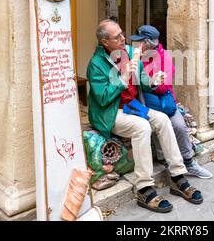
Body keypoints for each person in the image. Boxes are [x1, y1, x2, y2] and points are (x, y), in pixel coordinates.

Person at [87, 19, 203, 213]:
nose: (124, 38)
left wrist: (154, 81)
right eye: (117, 37)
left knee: (163, 120)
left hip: (133, 106)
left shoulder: (131, 53)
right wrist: (122, 78)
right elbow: (103, 98)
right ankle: (144, 187)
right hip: (112, 111)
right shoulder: (96, 64)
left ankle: (177, 175)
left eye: (122, 33)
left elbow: (143, 81)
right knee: (143, 127)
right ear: (105, 42)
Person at [129, 25, 213, 179]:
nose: (137, 45)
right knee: (151, 124)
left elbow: (164, 87)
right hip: (142, 103)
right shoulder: (134, 56)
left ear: (148, 43)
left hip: (163, 103)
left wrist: (149, 83)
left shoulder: (164, 57)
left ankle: (189, 161)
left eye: (140, 42)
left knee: (179, 126)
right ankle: (165, 160)